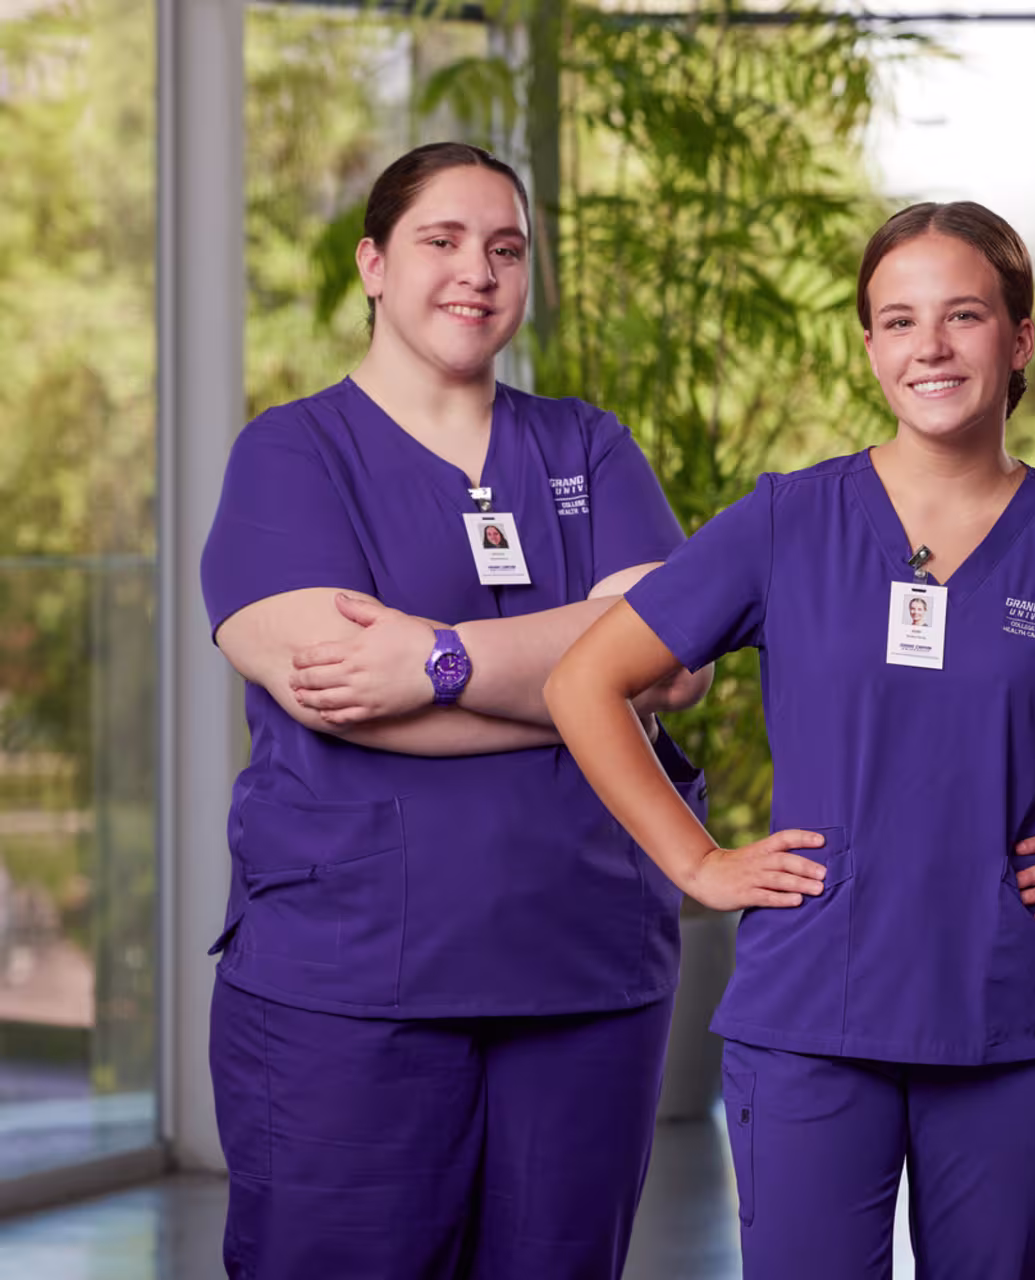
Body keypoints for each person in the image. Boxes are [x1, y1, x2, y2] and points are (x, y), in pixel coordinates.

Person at [545, 201, 1035, 1280]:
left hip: (1013, 1019)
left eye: (963, 315)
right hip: (810, 1018)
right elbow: (585, 680)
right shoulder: (787, 520)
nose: (929, 346)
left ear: (1018, 339)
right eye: (897, 320)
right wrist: (695, 861)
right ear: (873, 345)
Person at [199, 141, 712, 1280]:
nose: (476, 271)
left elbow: (674, 666)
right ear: (375, 263)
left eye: (505, 248)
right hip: (350, 989)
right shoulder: (292, 452)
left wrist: (433, 661)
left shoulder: (589, 445)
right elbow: (332, 684)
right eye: (441, 240)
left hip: (584, 980)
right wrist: (585, 677)